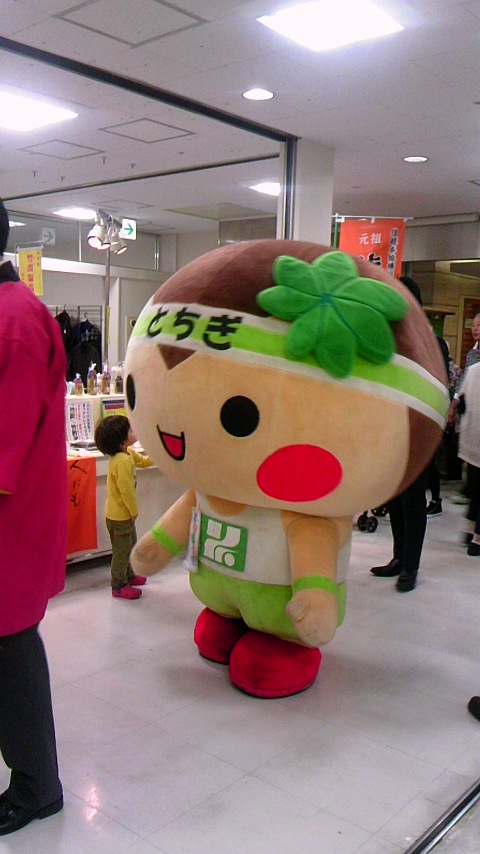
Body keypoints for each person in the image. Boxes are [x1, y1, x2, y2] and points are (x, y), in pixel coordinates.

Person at [0, 199, 66, 834]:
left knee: (11, 649)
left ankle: (37, 786)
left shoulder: (14, 319)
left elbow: (6, 443)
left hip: (9, 528)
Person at [370, 276, 442, 592]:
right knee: (397, 497)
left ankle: (411, 566)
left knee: (413, 500)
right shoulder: (388, 338)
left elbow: (437, 388)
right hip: (392, 429)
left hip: (419, 431)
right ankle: (398, 557)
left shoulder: (432, 343)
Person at [94, 415, 152, 599]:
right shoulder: (122, 462)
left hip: (123, 515)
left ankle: (130, 575)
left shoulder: (127, 453)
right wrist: (134, 511)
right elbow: (126, 491)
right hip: (120, 517)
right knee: (122, 551)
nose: (134, 431)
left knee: (130, 545)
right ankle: (118, 585)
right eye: (130, 431)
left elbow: (144, 462)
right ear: (121, 442)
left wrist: (161, 456)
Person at [456, 362, 480, 554]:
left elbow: (461, 403)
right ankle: (477, 539)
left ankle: (469, 530)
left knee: (475, 488)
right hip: (475, 440)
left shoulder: (473, 370)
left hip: (471, 441)